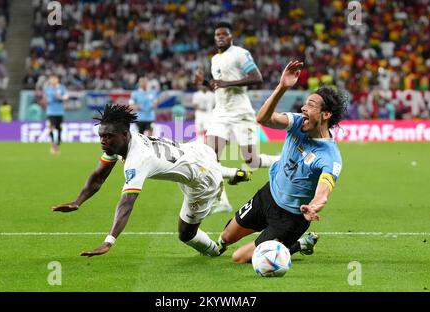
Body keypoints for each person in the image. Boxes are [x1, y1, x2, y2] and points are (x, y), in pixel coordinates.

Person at [51, 103, 249, 257]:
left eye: (108, 136)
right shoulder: (120, 143)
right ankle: (232, 173)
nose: (103, 141)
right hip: (195, 150)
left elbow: (126, 203)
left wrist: (109, 241)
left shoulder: (138, 159)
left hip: (202, 181)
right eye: (101, 136)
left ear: (124, 134)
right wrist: (78, 201)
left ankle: (217, 249)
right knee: (199, 167)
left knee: (185, 234)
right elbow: (98, 177)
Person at [215, 60, 346, 263]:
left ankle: (297, 244)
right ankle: (292, 244)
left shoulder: (330, 157)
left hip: (290, 219)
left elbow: (324, 191)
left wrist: (313, 206)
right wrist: (282, 87)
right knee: (226, 237)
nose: (303, 108)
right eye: (305, 103)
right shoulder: (296, 123)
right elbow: (263, 119)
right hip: (268, 196)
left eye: (310, 105)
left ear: (326, 114)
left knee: (238, 257)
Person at [194, 22, 279, 213]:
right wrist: (205, 83)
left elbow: (257, 77)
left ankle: (281, 160)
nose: (220, 37)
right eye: (217, 34)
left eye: (224, 34)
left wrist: (227, 83)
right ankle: (221, 201)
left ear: (231, 37)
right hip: (220, 115)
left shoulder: (240, 53)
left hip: (241, 113)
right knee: (210, 159)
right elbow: (219, 86)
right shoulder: (215, 59)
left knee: (252, 161)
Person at [43, 74, 68, 154]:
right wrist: (46, 101)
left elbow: (66, 97)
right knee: (51, 127)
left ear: (57, 79)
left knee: (59, 128)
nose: (53, 80)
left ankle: (58, 141)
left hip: (59, 111)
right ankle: (53, 144)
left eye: (54, 79)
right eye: (51, 79)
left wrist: (60, 97)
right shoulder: (47, 88)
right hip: (50, 111)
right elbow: (45, 98)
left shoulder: (61, 88)